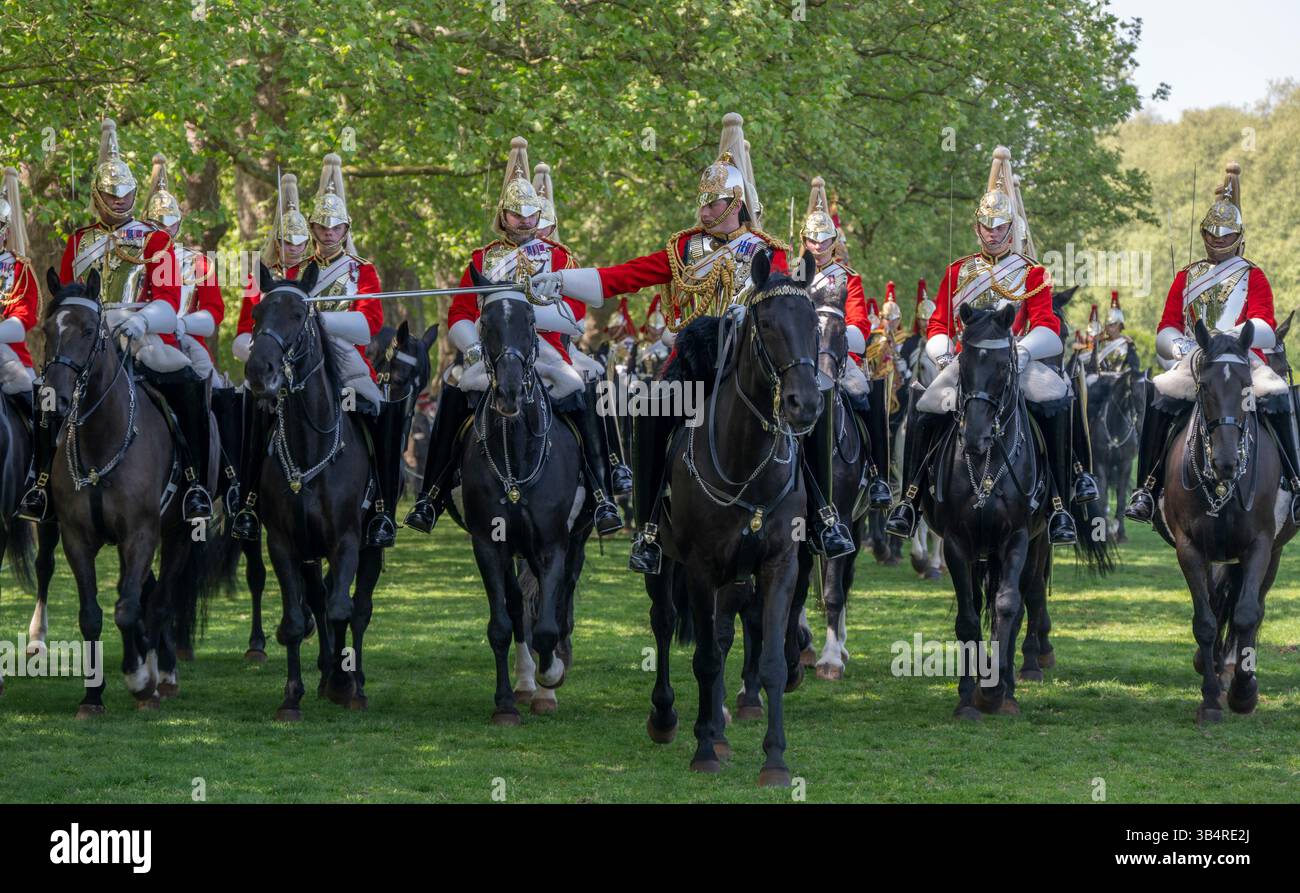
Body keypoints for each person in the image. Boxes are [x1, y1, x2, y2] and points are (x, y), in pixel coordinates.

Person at [528, 113, 804, 572]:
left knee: (807, 410)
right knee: (648, 411)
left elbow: (782, 305)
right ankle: (651, 526)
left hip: (749, 364)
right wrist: (561, 280)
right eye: (701, 201)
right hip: (690, 365)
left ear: (736, 202)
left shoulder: (766, 251)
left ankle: (825, 516)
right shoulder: (682, 250)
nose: (704, 209)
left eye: (714, 203)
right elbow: (623, 276)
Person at [403, 136, 619, 536]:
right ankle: (432, 493)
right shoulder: (482, 258)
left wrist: (525, 315)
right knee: (452, 386)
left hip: (547, 354)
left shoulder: (559, 258)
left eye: (530, 213)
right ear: (502, 216)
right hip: (491, 355)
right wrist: (470, 349)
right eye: (516, 214)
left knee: (581, 389)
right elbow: (461, 311)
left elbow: (573, 315)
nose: (524, 220)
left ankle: (604, 490)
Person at [885, 145, 1081, 545]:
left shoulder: (1033, 272)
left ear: (1013, 229)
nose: (992, 234)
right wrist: (942, 353)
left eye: (1000, 228)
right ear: (978, 228)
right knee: (924, 405)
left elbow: (1046, 323)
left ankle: (1062, 501)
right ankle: (909, 500)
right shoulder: (957, 270)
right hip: (966, 362)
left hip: (1018, 361)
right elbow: (939, 321)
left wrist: (1022, 351)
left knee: (1059, 398)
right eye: (986, 227)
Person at [20, 120, 213, 523]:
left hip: (140, 336)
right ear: (97, 195)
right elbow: (71, 296)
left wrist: (141, 324)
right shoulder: (80, 239)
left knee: (185, 378)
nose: (121, 200)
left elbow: (168, 299)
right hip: (87, 337)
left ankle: (195, 482)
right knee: (48, 393)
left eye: (126, 193)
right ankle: (40, 486)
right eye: (112, 193)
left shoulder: (154, 239)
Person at [1125, 162, 1300, 525]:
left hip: (1240, 360)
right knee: (1159, 391)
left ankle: (1296, 484)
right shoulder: (1186, 277)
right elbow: (1167, 326)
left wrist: (1228, 339)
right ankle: (1147, 486)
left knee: (1280, 392)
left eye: (1225, 235)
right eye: (1212, 234)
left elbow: (1264, 323)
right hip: (1197, 359)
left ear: (1238, 235)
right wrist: (1181, 348)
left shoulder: (1254, 275)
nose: (1217, 241)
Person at [801, 177, 890, 555]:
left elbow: (859, 323)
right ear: (803, 241)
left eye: (825, 240)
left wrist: (839, 342)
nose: (818, 247)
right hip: (801, 356)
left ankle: (876, 473)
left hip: (840, 355)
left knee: (864, 393)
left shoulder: (848, 279)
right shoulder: (793, 275)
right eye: (812, 240)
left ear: (834, 241)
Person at [228, 171, 311, 540]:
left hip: (312, 363)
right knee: (248, 412)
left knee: (374, 408)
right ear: (276, 241)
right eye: (286, 241)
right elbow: (246, 325)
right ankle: (246, 499)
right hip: (271, 364)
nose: (292, 248)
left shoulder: (319, 274)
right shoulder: (259, 277)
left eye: (298, 241)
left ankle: (380, 503)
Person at [0, 166, 38, 420]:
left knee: (38, 401)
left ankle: (43, 459)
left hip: (8, 355)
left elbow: (23, 319)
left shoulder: (19, 268)